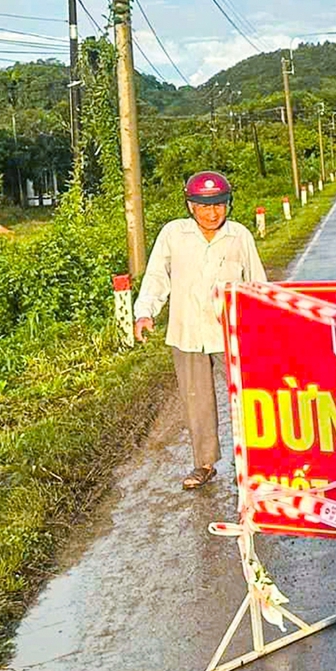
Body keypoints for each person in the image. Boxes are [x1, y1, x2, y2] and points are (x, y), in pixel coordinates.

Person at [133, 170, 267, 490]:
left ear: (228, 204)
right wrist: (145, 313)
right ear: (191, 206)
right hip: (187, 331)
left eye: (219, 204)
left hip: (232, 333)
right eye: (204, 206)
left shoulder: (239, 236)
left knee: (248, 396)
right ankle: (204, 464)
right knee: (197, 401)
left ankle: (256, 462)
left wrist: (264, 325)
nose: (212, 212)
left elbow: (257, 283)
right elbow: (156, 277)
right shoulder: (173, 234)